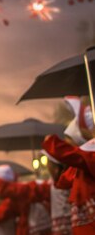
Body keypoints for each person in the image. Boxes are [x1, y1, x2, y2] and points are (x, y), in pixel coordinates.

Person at [43, 96, 95, 235]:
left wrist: (51, 142)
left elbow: (68, 154)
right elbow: (63, 181)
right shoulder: (81, 166)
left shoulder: (90, 158)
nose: (66, 143)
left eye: (69, 140)